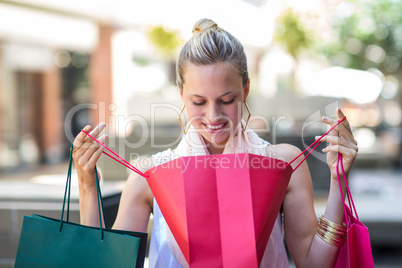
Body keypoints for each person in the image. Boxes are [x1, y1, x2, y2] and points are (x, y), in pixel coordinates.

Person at [73, 18, 358, 268]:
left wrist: (337, 181)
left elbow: (313, 263)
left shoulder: (283, 165)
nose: (213, 116)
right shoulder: (150, 175)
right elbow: (108, 263)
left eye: (226, 100)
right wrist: (87, 186)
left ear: (245, 90)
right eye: (199, 102)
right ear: (181, 93)